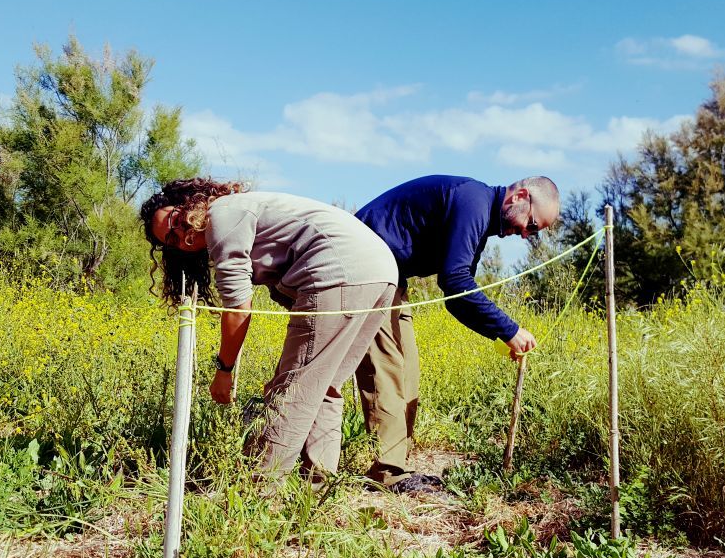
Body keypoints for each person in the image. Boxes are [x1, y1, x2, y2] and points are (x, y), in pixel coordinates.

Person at [141, 177, 398, 480]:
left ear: (187, 203)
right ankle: (316, 489)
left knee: (293, 388)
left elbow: (238, 308)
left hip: (340, 270)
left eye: (175, 220)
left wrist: (224, 371)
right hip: (380, 270)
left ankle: (257, 492)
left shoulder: (221, 217)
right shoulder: (238, 211)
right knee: (324, 384)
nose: (181, 236)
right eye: (171, 240)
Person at [354, 175, 561, 491]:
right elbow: (455, 282)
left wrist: (503, 335)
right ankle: (388, 474)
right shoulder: (473, 202)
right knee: (387, 368)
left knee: (407, 371)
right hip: (364, 265)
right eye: (531, 225)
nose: (525, 234)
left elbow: (456, 299)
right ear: (520, 196)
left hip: (391, 276)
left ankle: (395, 467)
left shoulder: (479, 218)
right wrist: (510, 329)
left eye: (533, 233)